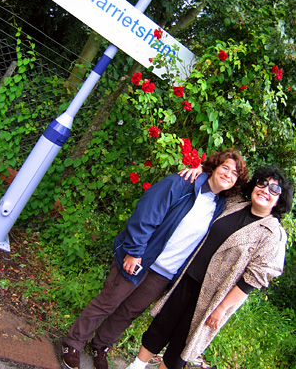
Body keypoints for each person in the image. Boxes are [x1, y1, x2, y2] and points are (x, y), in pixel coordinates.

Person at [62, 149, 248, 369]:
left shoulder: (220, 205)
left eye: (234, 173)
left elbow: (254, 201)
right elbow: (146, 213)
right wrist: (134, 251)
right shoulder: (183, 183)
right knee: (108, 301)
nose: (228, 174)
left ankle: (101, 345)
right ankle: (73, 342)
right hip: (141, 258)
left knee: (128, 313)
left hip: (164, 273)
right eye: (225, 167)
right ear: (214, 167)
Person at [126, 166, 294, 369]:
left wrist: (222, 308)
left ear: (279, 200)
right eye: (263, 183)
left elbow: (253, 280)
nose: (266, 190)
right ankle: (136, 365)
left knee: (183, 343)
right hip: (188, 277)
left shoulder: (273, 235)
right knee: (161, 326)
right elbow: (219, 181)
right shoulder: (235, 203)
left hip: (214, 299)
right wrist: (200, 169)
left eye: (274, 190)